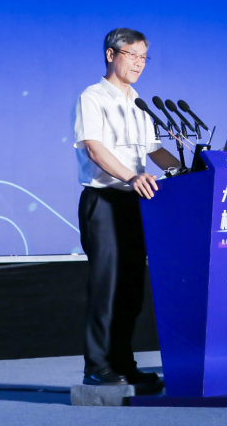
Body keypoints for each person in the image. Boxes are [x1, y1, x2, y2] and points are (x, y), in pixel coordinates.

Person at [72, 27, 181, 386]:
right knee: (108, 287)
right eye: (132, 55)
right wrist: (132, 177)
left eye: (144, 57)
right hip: (104, 201)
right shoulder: (92, 97)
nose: (139, 63)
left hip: (136, 203)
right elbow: (94, 148)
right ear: (111, 54)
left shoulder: (139, 103)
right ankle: (97, 366)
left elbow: (154, 151)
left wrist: (189, 169)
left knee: (131, 288)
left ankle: (123, 364)